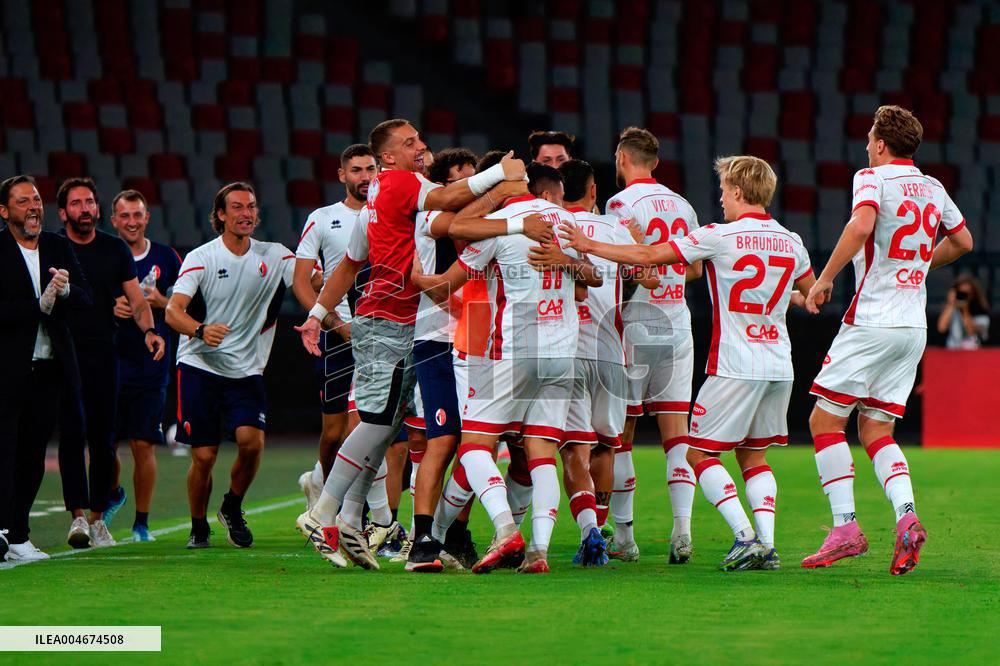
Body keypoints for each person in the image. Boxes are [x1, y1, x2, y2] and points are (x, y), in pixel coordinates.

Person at [294, 118, 528, 570]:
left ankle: (348, 519)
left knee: (389, 425)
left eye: (420, 139)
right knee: (380, 423)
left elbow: (348, 266)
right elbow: (451, 208)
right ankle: (323, 510)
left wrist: (316, 315)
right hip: (390, 320)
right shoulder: (403, 185)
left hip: (395, 320)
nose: (421, 146)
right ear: (388, 157)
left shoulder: (378, 203)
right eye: (410, 142)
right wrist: (501, 179)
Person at [561, 155, 815, 571]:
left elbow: (648, 255)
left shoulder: (719, 235)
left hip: (735, 364)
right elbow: (811, 292)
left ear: (737, 191)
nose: (720, 200)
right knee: (755, 458)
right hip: (779, 364)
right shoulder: (792, 240)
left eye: (723, 191)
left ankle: (745, 536)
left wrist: (589, 245)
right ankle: (766, 546)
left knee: (698, 454)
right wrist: (803, 295)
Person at [802, 105, 974, 575]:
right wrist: (917, 268)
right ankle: (906, 517)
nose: (866, 146)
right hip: (911, 326)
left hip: (872, 320)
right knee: (876, 429)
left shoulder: (871, 178)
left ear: (880, 143)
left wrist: (823, 278)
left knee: (823, 422)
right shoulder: (934, 187)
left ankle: (846, 528)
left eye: (869, 139)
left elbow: (861, 227)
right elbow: (963, 242)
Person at [413, 163, 602, 574]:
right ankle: (538, 552)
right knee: (541, 455)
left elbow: (451, 281)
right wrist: (566, 264)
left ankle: (504, 528)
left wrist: (416, 278)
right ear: (551, 192)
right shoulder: (569, 220)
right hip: (562, 354)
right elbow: (593, 278)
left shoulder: (503, 223)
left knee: (475, 446)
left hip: (511, 352)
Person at [165, 182, 295, 549]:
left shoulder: (276, 255)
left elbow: (306, 283)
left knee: (251, 443)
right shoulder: (201, 257)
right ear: (220, 215)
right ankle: (198, 526)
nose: (246, 213)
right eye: (237, 207)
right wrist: (201, 330)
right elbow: (174, 311)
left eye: (251, 206)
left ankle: (232, 506)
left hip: (246, 369)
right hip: (199, 365)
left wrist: (320, 310)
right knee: (204, 456)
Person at [605, 127, 701, 564]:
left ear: (622, 159)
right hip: (679, 321)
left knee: (622, 432)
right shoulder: (683, 205)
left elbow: (625, 265)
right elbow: (695, 271)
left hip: (640, 321)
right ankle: (682, 530)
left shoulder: (620, 204)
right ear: (656, 163)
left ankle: (625, 538)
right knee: (675, 430)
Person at [556, 159, 656, 566]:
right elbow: (649, 276)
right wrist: (636, 241)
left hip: (568, 348)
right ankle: (600, 528)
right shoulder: (615, 231)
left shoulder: (553, 226)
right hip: (612, 351)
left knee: (571, 447)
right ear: (594, 190)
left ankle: (589, 532)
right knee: (607, 444)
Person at [57, 177, 165, 549]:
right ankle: (77, 519)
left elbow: (136, 299)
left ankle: (100, 519)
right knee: (72, 437)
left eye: (89, 202)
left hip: (105, 354)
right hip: (62, 355)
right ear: (63, 212)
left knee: (104, 440)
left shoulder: (114, 249)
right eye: (76, 203)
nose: (84, 209)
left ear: (97, 210)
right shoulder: (53, 247)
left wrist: (149, 330)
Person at [0, 175, 90, 563]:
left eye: (36, 199)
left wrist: (66, 292)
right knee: (3, 453)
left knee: (33, 456)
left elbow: (85, 299)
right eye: (23, 201)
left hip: (49, 369)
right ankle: (2, 532)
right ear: (5, 212)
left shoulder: (56, 245)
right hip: (4, 372)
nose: (33, 206)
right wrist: (37, 305)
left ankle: (18, 535)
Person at [292, 144, 377, 510]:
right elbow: (300, 282)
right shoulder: (323, 218)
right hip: (336, 336)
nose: (364, 177)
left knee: (369, 427)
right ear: (342, 175)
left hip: (384, 336)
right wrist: (333, 323)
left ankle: (346, 508)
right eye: (356, 170)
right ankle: (322, 483)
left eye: (370, 169)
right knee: (332, 434)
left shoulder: (391, 215)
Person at [106, 189, 182, 541]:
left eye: (138, 215)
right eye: (125, 216)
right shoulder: (103, 254)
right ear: (114, 220)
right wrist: (110, 307)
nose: (132, 222)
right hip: (107, 362)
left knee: (143, 444)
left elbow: (189, 307)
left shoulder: (167, 257)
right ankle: (112, 494)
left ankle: (141, 523)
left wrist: (161, 301)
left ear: (147, 218)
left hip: (151, 364)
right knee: (105, 444)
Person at [936, 274, 990, 349]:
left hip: (973, 352)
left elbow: (971, 331)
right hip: (952, 351)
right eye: (960, 293)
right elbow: (941, 328)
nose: (963, 296)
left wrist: (965, 310)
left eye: (966, 294)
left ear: (974, 294)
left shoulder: (981, 311)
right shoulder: (952, 309)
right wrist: (951, 303)